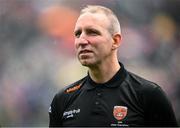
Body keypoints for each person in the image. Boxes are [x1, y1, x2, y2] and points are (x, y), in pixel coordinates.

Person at [49, 5, 178, 127]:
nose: (81, 41)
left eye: (92, 32)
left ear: (115, 41)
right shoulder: (62, 100)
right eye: (78, 34)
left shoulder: (149, 95)